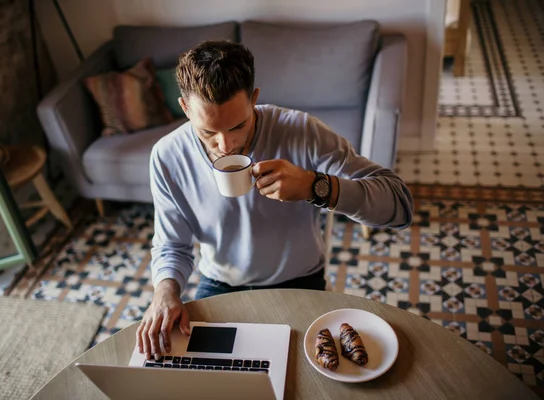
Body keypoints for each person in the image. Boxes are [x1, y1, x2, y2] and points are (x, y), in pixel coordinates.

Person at [136, 40, 414, 361]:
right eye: (208, 131)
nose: (226, 146)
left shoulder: (303, 132)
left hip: (300, 282)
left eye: (238, 125)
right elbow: (172, 245)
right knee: (196, 373)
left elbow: (399, 206)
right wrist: (165, 291)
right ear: (185, 108)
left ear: (254, 99)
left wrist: (315, 187)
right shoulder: (168, 156)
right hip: (219, 285)